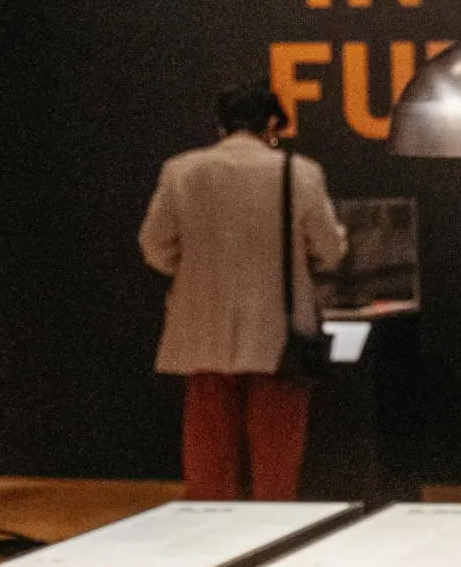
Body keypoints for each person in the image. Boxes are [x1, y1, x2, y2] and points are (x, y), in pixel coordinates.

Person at [139, 81, 346, 500]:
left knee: (208, 463)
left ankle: (213, 546)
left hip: (203, 328)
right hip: (279, 334)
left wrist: (194, 270)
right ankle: (270, 541)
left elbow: (154, 245)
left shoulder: (182, 169)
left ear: (221, 124)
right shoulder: (298, 172)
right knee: (276, 468)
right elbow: (330, 248)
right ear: (272, 123)